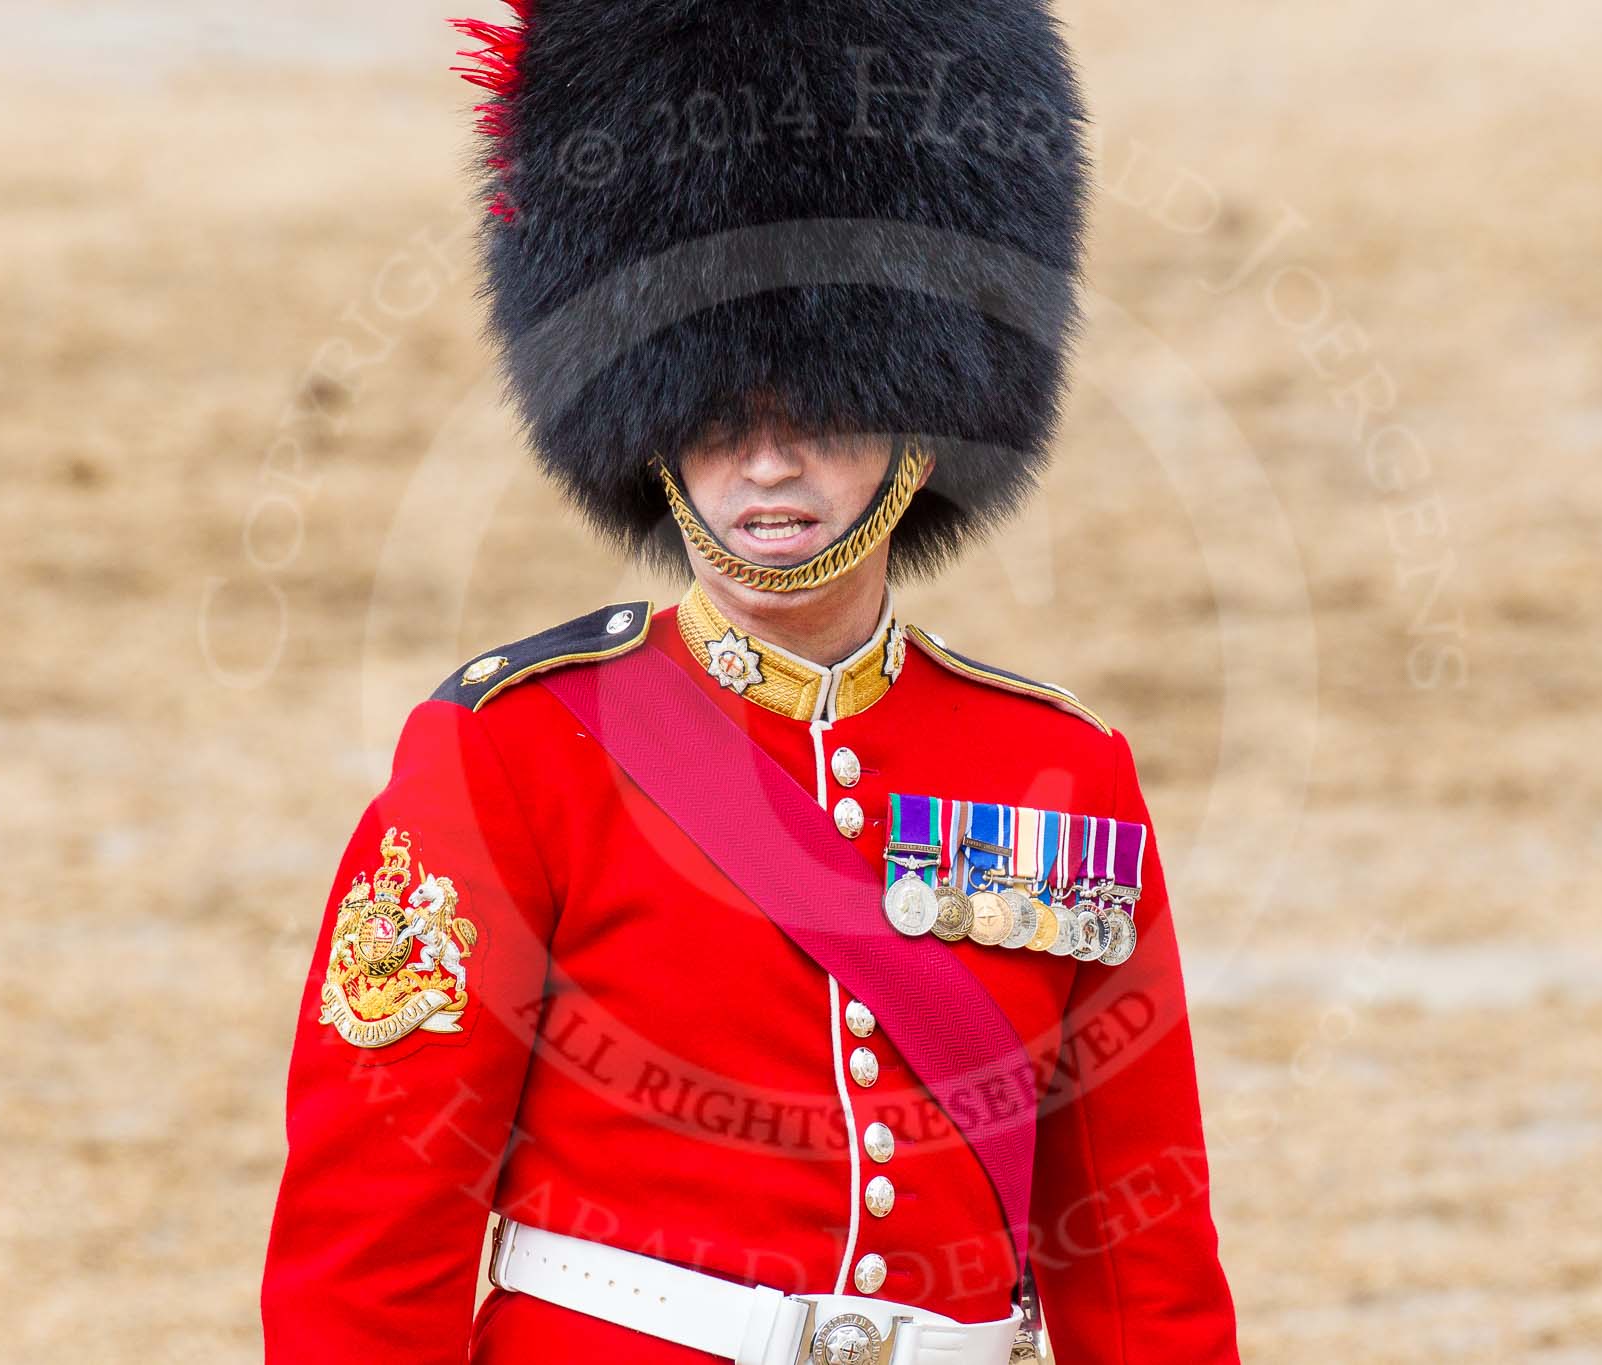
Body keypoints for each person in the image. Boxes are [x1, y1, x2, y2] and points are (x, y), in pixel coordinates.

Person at [261, 2, 1240, 1361]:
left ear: (922, 420)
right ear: (651, 429)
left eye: (821, 416)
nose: (765, 468)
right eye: (716, 420)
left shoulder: (1061, 772)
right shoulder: (514, 754)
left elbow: (1143, 1268)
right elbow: (370, 1243)